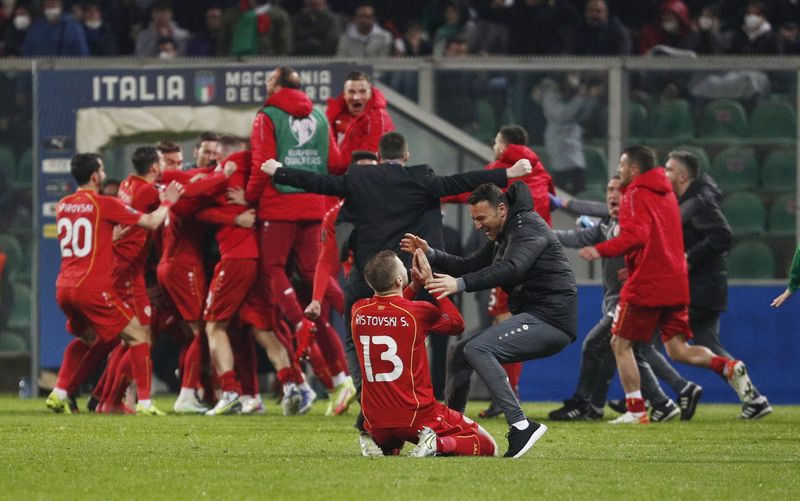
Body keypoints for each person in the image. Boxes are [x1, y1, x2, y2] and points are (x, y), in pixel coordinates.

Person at [262, 131, 531, 431]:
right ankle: (416, 403)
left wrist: (280, 171)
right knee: (414, 341)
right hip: (408, 274)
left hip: (368, 276)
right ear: (406, 156)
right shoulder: (420, 178)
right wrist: (507, 173)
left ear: (378, 157)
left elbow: (319, 182)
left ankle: (368, 402)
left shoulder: (359, 179)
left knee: (356, 339)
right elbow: (460, 181)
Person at [578, 146, 761, 424]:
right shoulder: (667, 195)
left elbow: (637, 236)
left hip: (648, 282)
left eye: (623, 165)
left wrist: (600, 249)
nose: (619, 169)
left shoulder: (635, 194)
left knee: (620, 343)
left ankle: (636, 410)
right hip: (676, 282)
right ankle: (727, 366)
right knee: (677, 348)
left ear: (634, 170)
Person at [401, 181, 575, 457]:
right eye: (474, 219)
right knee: (459, 352)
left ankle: (520, 425)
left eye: (481, 218)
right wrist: (430, 253)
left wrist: (460, 284)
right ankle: (451, 430)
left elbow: (512, 267)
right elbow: (468, 264)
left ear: (502, 209)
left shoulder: (527, 227)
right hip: (535, 315)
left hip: (552, 320)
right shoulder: (505, 232)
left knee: (477, 348)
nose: (478, 226)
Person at [46, 153, 182, 416]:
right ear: (95, 176)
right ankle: (145, 403)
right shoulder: (104, 204)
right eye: (102, 170)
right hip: (92, 288)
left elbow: (84, 239)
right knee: (138, 336)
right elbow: (152, 222)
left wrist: (110, 236)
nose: (104, 174)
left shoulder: (63, 204)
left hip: (64, 287)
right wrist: (168, 201)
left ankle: (59, 393)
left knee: (87, 338)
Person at [547, 176, 686, 423]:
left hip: (632, 300)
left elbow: (657, 254)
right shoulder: (608, 224)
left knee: (596, 345)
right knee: (629, 351)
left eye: (618, 191)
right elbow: (576, 237)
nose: (612, 195)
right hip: (617, 302)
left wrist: (634, 271)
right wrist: (542, 233)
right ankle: (660, 402)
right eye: (609, 189)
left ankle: (583, 403)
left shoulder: (637, 225)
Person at [246, 66, 342, 388]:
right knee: (315, 271)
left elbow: (263, 164)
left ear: (276, 86)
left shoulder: (267, 116)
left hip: (279, 204)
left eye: (267, 80)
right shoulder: (320, 116)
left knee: (273, 267)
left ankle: (302, 322)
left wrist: (249, 198)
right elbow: (335, 163)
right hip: (314, 204)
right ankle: (358, 310)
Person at [353, 249, 498, 457]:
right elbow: (457, 324)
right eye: (402, 266)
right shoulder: (419, 311)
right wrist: (431, 284)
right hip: (417, 415)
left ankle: (375, 442)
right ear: (399, 280)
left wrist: (413, 287)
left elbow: (392, 311)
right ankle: (437, 444)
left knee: (391, 441)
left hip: (375, 421)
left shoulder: (358, 310)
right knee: (488, 445)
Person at [665, 150, 771, 419]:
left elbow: (722, 234)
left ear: (682, 176)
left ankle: (649, 399)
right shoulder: (692, 200)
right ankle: (754, 399)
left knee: (647, 337)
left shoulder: (699, 202)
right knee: (708, 346)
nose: (664, 174)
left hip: (700, 287)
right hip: (706, 286)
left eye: (668, 169)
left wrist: (689, 258)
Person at [326, 71, 394, 165]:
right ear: (344, 94)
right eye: (351, 91)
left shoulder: (378, 119)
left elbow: (369, 161)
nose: (356, 97)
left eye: (362, 91)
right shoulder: (333, 115)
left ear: (370, 93)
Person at [21, 0, 89, 57]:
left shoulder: (73, 27)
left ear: (60, 5)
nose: (51, 7)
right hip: (40, 67)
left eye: (53, 3)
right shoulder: (35, 28)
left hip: (67, 67)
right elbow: (26, 53)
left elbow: (82, 54)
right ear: (43, 7)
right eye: (48, 4)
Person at [566, 0, 632, 56]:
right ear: (585, 12)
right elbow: (569, 55)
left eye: (598, 11)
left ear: (606, 13)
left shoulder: (618, 32)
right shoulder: (577, 30)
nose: (594, 14)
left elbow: (621, 58)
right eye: (590, 10)